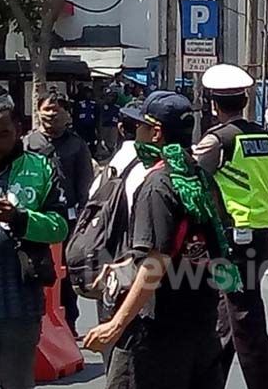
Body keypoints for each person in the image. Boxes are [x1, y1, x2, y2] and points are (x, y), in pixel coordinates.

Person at [83, 91, 236, 389]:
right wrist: (124, 266)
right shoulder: (198, 177)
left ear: (155, 133)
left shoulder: (158, 185)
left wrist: (116, 325)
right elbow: (196, 243)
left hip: (157, 332)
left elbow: (157, 261)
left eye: (140, 126)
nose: (134, 133)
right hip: (201, 323)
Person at [193, 65, 268, 389]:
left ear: (212, 103)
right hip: (263, 236)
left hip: (233, 242)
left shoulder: (216, 141)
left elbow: (191, 184)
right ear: (246, 99)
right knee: (228, 315)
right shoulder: (265, 138)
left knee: (244, 317)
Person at [0, 94, 68, 389]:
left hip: (18, 301)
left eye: (2, 133)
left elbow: (60, 227)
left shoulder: (41, 168)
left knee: (16, 381)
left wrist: (20, 219)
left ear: (18, 128)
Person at [25, 92, 94, 338]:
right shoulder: (28, 143)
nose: (52, 114)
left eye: (57, 110)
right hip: (34, 219)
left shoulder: (77, 145)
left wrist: (85, 219)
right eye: (47, 110)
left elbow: (85, 185)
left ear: (67, 115)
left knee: (67, 274)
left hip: (69, 220)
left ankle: (70, 323)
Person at [74, 86, 98, 156]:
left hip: (91, 125)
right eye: (87, 92)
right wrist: (76, 127)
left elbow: (97, 115)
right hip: (81, 126)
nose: (88, 94)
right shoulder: (79, 104)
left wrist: (97, 126)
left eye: (89, 92)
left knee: (92, 141)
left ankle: (92, 154)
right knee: (82, 141)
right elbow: (75, 115)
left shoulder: (94, 104)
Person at [99, 88, 120, 157]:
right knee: (102, 142)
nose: (112, 98)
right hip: (104, 126)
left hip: (113, 126)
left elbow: (119, 117)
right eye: (110, 96)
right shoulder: (102, 105)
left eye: (113, 96)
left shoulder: (117, 107)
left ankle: (111, 154)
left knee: (112, 142)